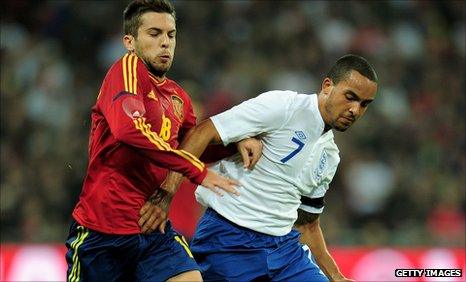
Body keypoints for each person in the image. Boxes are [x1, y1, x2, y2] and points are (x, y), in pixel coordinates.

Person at [65, 0, 260, 281]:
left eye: (171, 35)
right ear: (130, 41)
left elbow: (193, 147)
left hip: (152, 230)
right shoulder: (126, 70)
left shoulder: (178, 96)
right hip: (102, 233)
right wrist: (196, 172)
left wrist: (235, 144)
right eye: (154, 34)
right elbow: (129, 130)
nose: (165, 43)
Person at [147, 54, 378, 281]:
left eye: (364, 104)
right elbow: (204, 131)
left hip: (284, 250)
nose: (355, 110)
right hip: (229, 240)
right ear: (327, 85)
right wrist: (166, 195)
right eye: (350, 97)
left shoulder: (330, 155)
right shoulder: (284, 107)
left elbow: (307, 223)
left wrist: (336, 276)